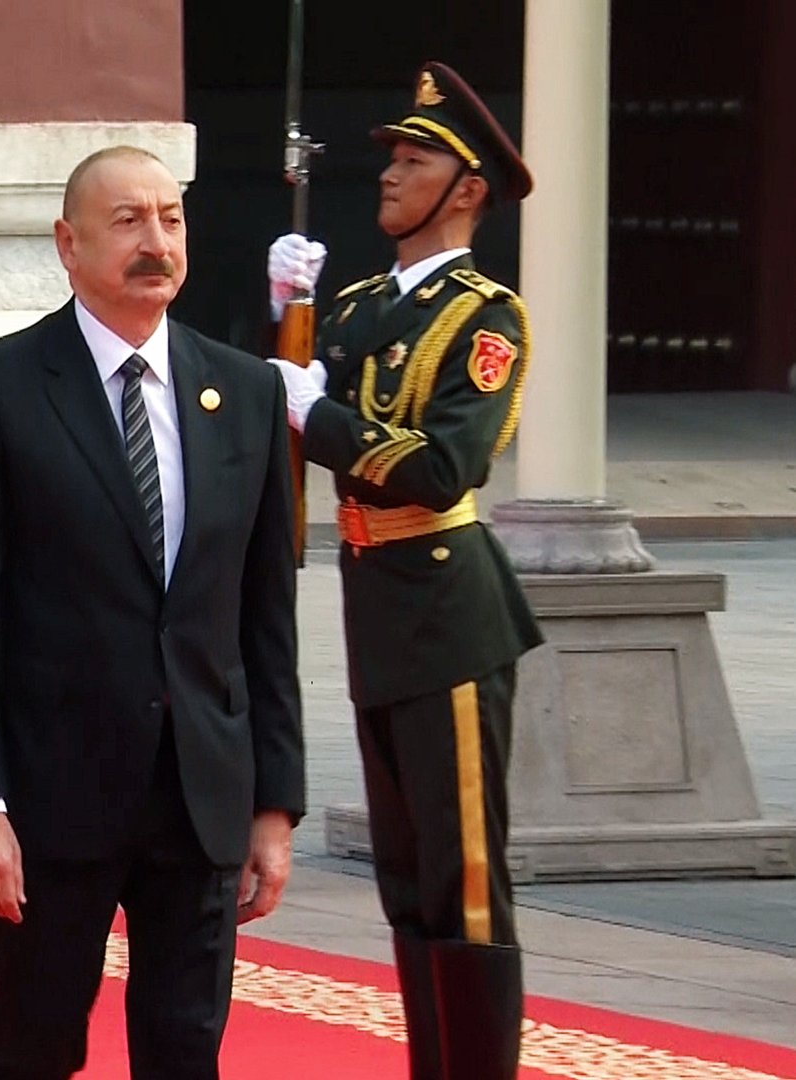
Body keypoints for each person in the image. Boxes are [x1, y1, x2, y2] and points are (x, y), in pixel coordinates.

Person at [0, 145, 303, 1080]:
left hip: (199, 799)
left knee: (185, 1051)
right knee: (32, 1049)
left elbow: (265, 618)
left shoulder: (245, 392)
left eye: (171, 218)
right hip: (49, 804)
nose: (155, 242)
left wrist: (273, 806)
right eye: (127, 221)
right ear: (69, 244)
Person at [263, 61, 542, 1080]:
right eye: (390, 157)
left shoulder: (486, 318)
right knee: (407, 881)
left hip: (451, 617)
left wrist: (319, 410)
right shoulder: (355, 307)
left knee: (463, 880)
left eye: (416, 161)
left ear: (466, 190)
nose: (389, 174)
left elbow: (444, 465)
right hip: (378, 611)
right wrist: (284, 312)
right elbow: (286, 426)